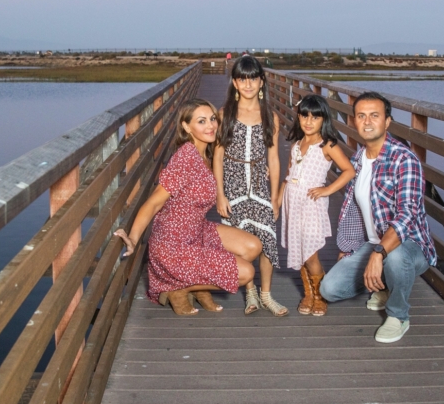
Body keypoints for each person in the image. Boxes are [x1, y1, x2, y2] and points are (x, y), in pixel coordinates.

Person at [115, 99, 262, 315]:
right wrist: (134, 238)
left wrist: (262, 171)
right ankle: (177, 289)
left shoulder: (207, 153)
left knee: (253, 247)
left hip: (196, 230)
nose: (210, 126)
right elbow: (155, 200)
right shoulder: (186, 157)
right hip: (173, 244)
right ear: (186, 127)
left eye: (212, 119)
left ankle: (197, 286)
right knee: (246, 272)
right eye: (201, 121)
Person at [318, 91, 437, 343]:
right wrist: (349, 247)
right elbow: (353, 209)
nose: (368, 121)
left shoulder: (404, 160)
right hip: (373, 244)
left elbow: (406, 216)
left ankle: (398, 315)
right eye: (361, 116)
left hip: (409, 247)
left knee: (395, 257)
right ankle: (382, 285)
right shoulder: (358, 158)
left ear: (387, 122)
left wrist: (379, 253)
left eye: (375, 115)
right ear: (354, 122)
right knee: (329, 289)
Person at [214, 55, 286, 316]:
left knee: (267, 236)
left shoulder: (270, 116)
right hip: (232, 183)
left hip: (258, 181)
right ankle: (250, 291)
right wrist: (220, 194)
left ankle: (266, 293)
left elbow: (274, 159)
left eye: (252, 78)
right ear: (234, 83)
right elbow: (218, 156)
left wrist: (276, 196)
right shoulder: (225, 115)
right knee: (242, 237)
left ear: (261, 82)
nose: (247, 84)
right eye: (242, 79)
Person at [279, 94, 355, 316]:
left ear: (324, 119)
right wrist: (277, 199)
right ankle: (308, 293)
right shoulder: (296, 144)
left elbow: (349, 170)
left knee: (311, 252)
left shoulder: (327, 145)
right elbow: (288, 174)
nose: (309, 121)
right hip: (292, 202)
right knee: (300, 249)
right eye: (304, 116)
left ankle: (320, 295)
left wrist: (327, 190)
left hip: (312, 204)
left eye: (315, 117)